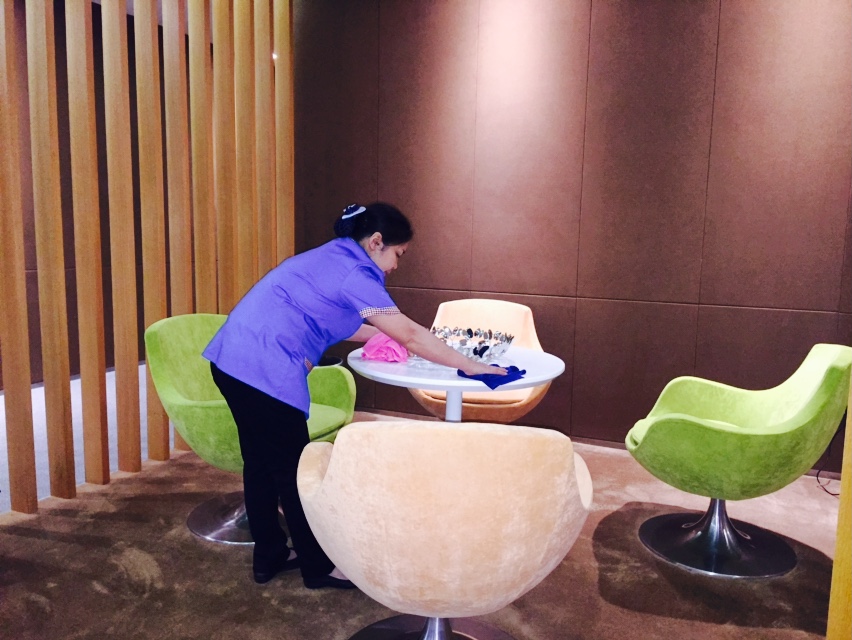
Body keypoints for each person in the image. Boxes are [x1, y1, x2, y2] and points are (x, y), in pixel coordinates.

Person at [203, 201, 506, 590]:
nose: (396, 265)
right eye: (398, 254)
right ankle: (317, 567)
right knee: (295, 474)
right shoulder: (355, 272)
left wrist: (398, 339)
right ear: (376, 241)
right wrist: (469, 364)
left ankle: (269, 556)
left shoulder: (332, 257)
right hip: (265, 370)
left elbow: (342, 322)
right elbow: (409, 333)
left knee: (261, 464)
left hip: (232, 360)